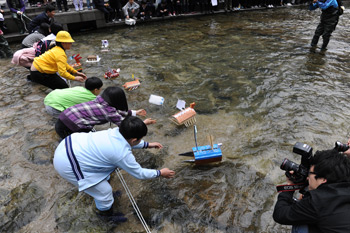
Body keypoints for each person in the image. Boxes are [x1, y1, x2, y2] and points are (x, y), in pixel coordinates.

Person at [53, 116, 175, 222]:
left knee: (103, 174)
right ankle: (105, 216)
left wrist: (147, 144)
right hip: (67, 163)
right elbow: (140, 173)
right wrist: (160, 172)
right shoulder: (121, 153)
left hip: (69, 144)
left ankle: (102, 196)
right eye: (140, 139)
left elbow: (129, 141)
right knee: (104, 192)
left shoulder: (115, 131)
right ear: (135, 140)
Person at [273, 149, 350, 233]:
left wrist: (290, 186)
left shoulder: (317, 201)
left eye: (310, 173)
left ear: (323, 179)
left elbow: (279, 214)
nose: (307, 178)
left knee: (301, 223)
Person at [55, 86, 156, 139]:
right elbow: (126, 126)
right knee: (81, 143)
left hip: (65, 116)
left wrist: (135, 113)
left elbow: (117, 111)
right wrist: (143, 123)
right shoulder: (108, 112)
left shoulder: (100, 99)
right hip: (70, 126)